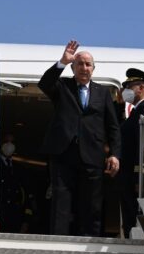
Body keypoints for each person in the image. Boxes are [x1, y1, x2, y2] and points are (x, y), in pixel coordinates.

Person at [38, 40, 121, 236]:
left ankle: (90, 242)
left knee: (92, 202)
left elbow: (113, 126)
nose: (84, 68)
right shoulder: (63, 86)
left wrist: (115, 154)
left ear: (93, 68)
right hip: (63, 152)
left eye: (88, 64)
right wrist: (62, 62)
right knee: (61, 200)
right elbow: (44, 83)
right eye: (80, 64)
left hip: (92, 154)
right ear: (73, 67)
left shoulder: (103, 92)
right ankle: (58, 242)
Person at [119, 68, 144, 238]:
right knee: (128, 211)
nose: (125, 91)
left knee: (133, 213)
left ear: (141, 88)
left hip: (135, 174)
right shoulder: (137, 111)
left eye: (129, 87)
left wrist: (138, 175)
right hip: (128, 173)